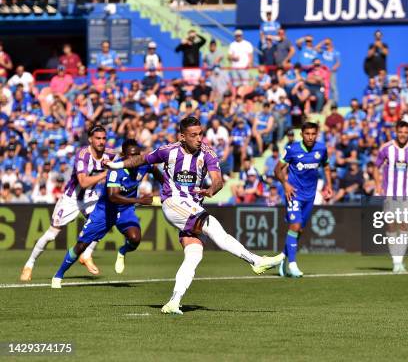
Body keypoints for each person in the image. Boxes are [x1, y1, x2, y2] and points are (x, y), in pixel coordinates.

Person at [105, 116, 284, 315]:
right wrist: (115, 166)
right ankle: (255, 261)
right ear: (182, 137)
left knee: (194, 255)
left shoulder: (207, 153)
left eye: (200, 134)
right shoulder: (168, 151)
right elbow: (142, 158)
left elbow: (218, 181)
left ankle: (174, 301)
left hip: (192, 206)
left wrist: (211, 190)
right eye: (193, 135)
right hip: (173, 203)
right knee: (213, 226)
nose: (199, 139)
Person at [51, 139, 162, 288]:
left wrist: (167, 187)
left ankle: (122, 251)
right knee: (81, 246)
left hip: (125, 210)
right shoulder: (115, 170)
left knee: (135, 239)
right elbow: (113, 197)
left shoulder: (143, 165)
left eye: (137, 155)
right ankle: (58, 275)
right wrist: (140, 200)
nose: (134, 159)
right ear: (123, 155)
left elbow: (155, 170)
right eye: (131, 155)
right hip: (105, 211)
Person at [20, 126, 113, 282]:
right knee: (51, 235)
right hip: (71, 199)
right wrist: (106, 172)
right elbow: (82, 182)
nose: (101, 141)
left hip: (91, 197)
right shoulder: (82, 155)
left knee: (102, 223)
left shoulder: (110, 154)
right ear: (90, 139)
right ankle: (29, 264)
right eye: (98, 138)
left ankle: (87, 255)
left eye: (104, 138)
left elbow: (127, 158)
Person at [274, 122, 333, 277]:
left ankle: (282, 259)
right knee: (295, 226)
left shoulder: (321, 149)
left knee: (299, 230)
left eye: (313, 134)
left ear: (317, 134)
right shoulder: (292, 149)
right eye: (307, 134)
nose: (310, 137)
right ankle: (293, 265)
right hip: (293, 193)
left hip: (310, 195)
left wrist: (329, 185)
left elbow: (326, 166)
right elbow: (277, 169)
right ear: (301, 134)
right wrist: (285, 184)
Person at [373, 121, 408, 274]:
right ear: (396, 132)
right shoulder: (387, 148)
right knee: (391, 226)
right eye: (400, 132)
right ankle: (397, 260)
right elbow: (376, 167)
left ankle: (398, 261)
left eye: (405, 132)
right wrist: (378, 184)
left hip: (407, 194)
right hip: (390, 193)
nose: (403, 135)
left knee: (404, 225)